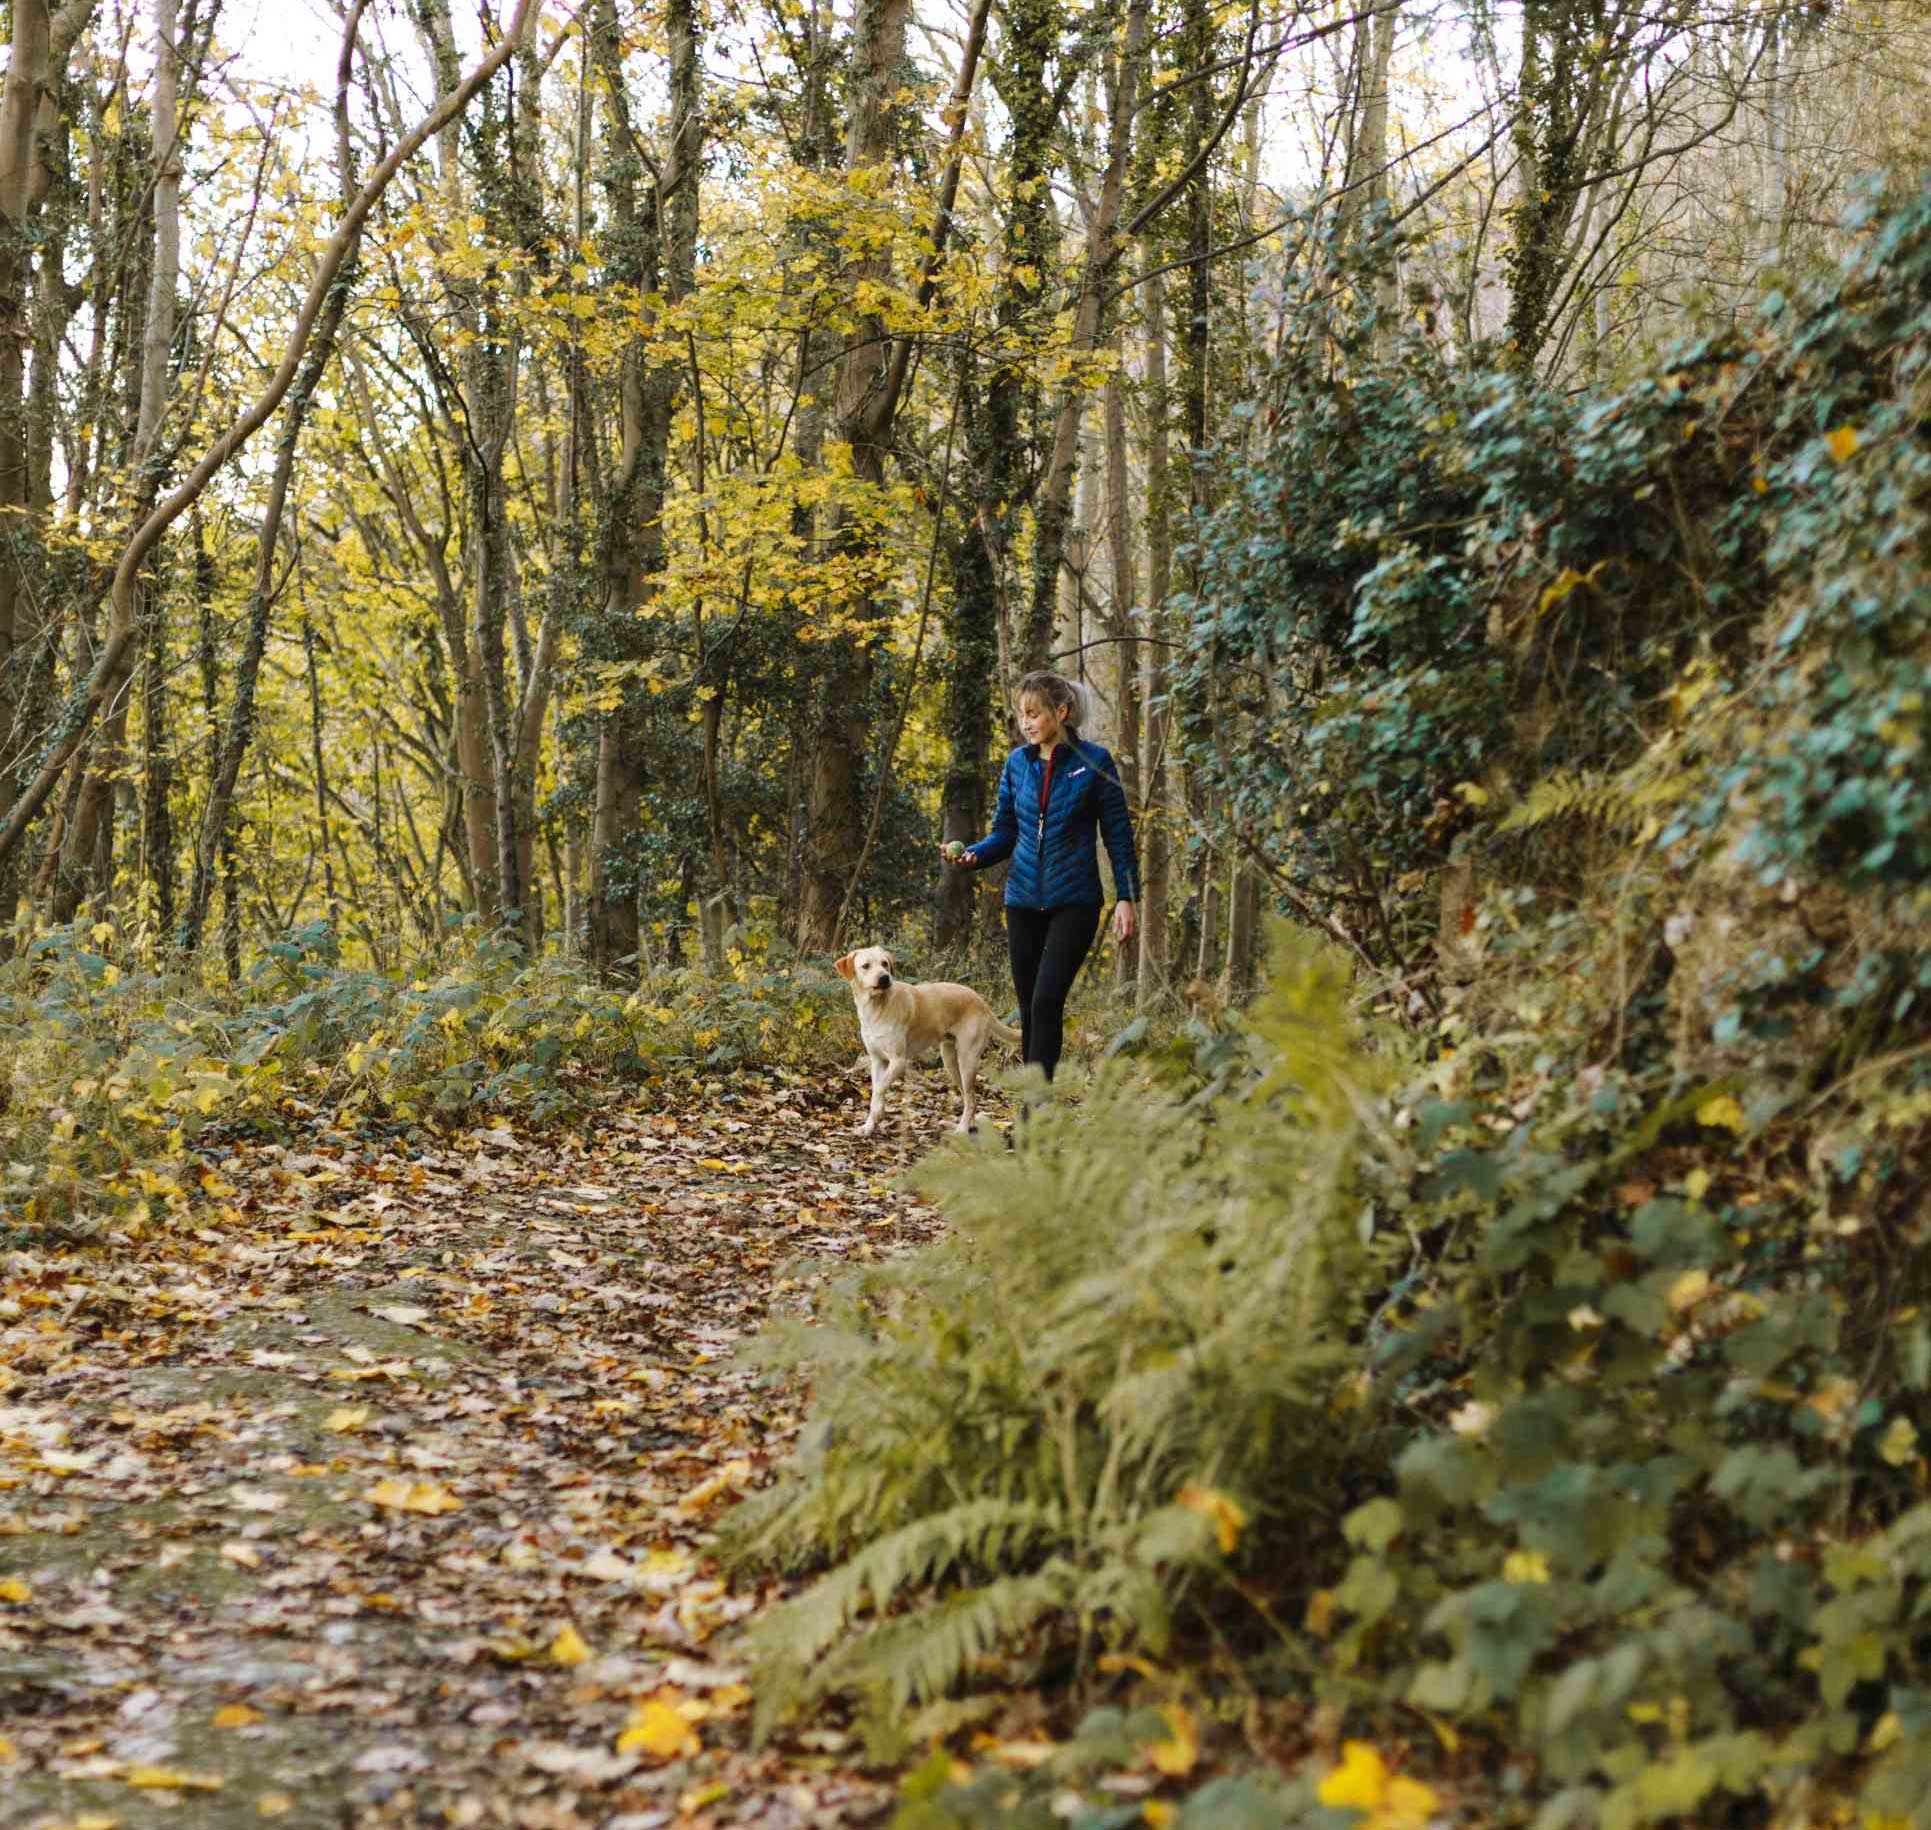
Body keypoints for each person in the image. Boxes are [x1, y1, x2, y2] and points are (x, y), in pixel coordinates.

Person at [941, 669, 1139, 1083]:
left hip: (1076, 901)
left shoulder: (1094, 763)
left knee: (1048, 1000)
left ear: (1062, 712)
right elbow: (1006, 832)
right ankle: (1034, 1110)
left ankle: (1036, 1111)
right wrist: (973, 856)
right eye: (1021, 714)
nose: (1026, 722)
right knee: (1030, 1005)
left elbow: (1118, 835)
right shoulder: (1017, 764)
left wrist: (1126, 896)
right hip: (1023, 902)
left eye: (1034, 713)